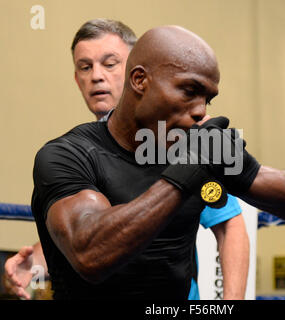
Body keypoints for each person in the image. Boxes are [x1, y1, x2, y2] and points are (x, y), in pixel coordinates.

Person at [30, 25, 285, 300]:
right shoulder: (67, 155)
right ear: (140, 81)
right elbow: (91, 253)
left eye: (207, 97)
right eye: (188, 90)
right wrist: (188, 171)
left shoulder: (201, 147)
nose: (201, 110)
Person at [4, 19, 249, 300]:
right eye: (85, 66)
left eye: (109, 64)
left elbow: (229, 224)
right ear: (76, 77)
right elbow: (95, 235)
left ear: (139, 72)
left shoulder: (183, 140)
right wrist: (35, 264)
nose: (96, 75)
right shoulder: (73, 150)